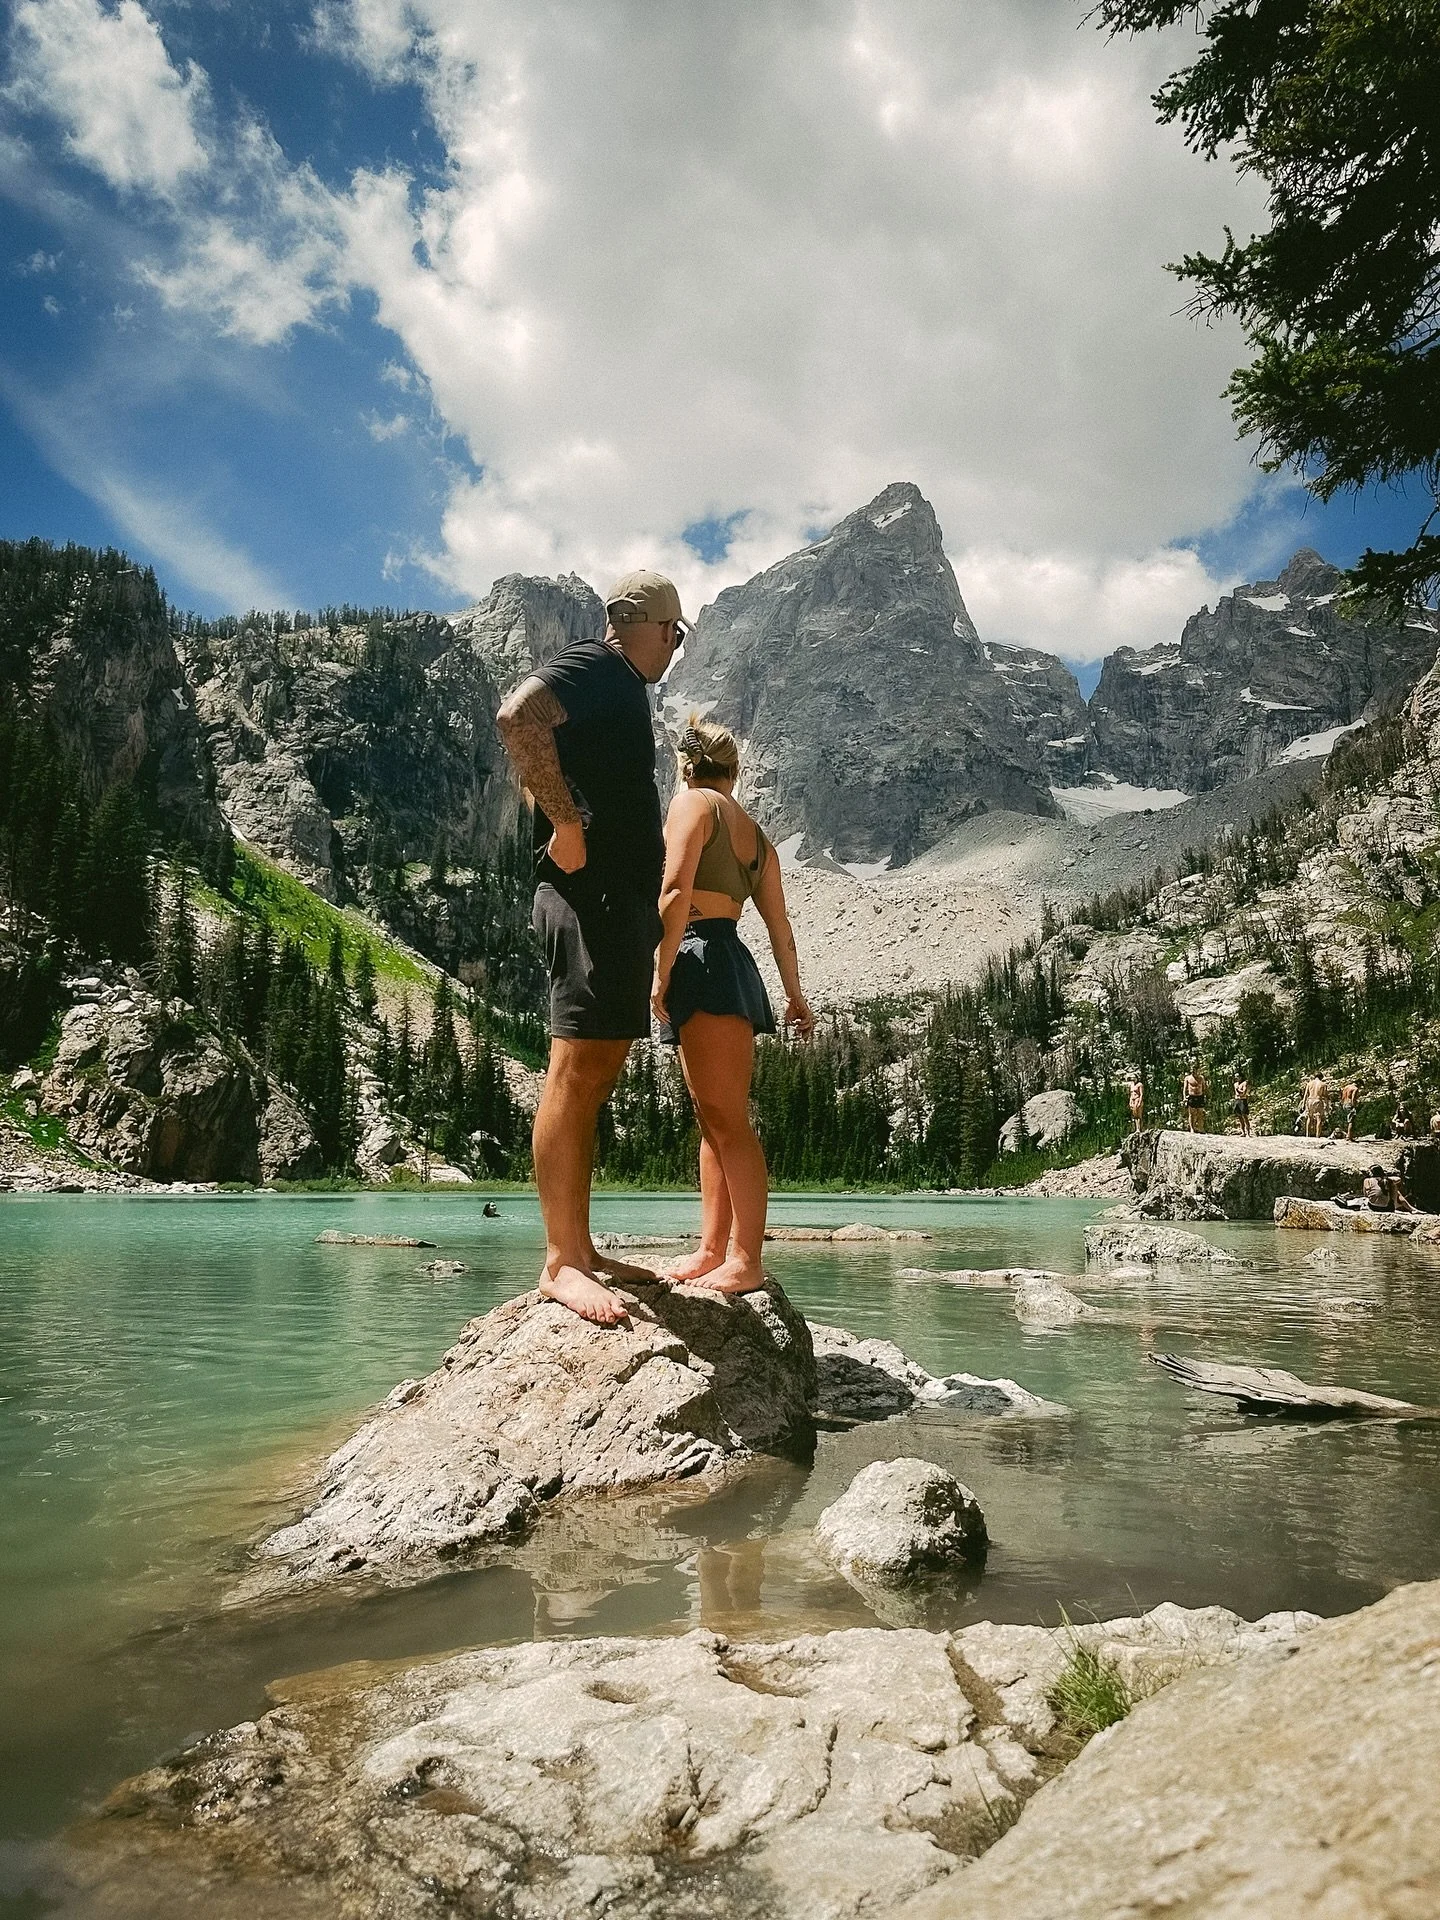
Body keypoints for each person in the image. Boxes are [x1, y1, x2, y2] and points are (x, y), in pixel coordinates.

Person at [496, 569, 688, 1325]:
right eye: (674, 631)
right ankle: (562, 1262)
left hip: (613, 904)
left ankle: (581, 1246)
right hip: (588, 900)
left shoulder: (616, 683)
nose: (675, 646)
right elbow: (518, 719)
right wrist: (567, 823)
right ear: (644, 624)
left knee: (595, 1070)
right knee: (575, 1072)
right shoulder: (597, 663)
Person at [652, 716, 814, 1295]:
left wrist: (660, 970)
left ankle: (744, 1258)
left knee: (726, 1120)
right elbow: (780, 927)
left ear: (687, 765)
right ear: (735, 771)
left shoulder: (691, 805)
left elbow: (673, 892)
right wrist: (795, 998)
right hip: (731, 961)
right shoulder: (758, 838)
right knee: (713, 1117)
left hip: (699, 960)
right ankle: (712, 1249)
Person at [1182, 1061, 1207, 1133]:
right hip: (1191, 1096)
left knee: (1200, 1113)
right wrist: (1184, 1097)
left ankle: (1200, 1128)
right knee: (1191, 1113)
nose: (1193, 1071)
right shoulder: (1187, 1078)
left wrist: (1205, 1095)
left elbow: (1204, 1087)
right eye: (1192, 1070)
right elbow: (1185, 1088)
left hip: (1200, 1096)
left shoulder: (1201, 1078)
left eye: (1195, 1070)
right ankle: (1192, 1128)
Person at [1302, 1072, 1327, 1139]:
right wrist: (1327, 1105)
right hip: (1318, 1100)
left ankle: (1307, 1134)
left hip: (1310, 1100)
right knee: (1318, 1118)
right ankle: (1317, 1135)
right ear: (1321, 1077)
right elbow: (1325, 1095)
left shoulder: (1309, 1083)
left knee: (1309, 1117)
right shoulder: (1323, 1084)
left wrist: (1303, 1103)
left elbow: (1305, 1094)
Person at [1232, 1072, 1251, 1136]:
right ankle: (1243, 1132)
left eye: (1237, 1076)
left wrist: (1238, 1090)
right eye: (1235, 1077)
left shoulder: (1244, 1083)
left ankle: (1248, 1132)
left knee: (1244, 1116)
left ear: (1241, 1077)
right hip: (1237, 1100)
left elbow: (1244, 1092)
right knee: (1239, 1116)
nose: (1236, 1078)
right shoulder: (1235, 1084)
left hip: (1242, 1100)